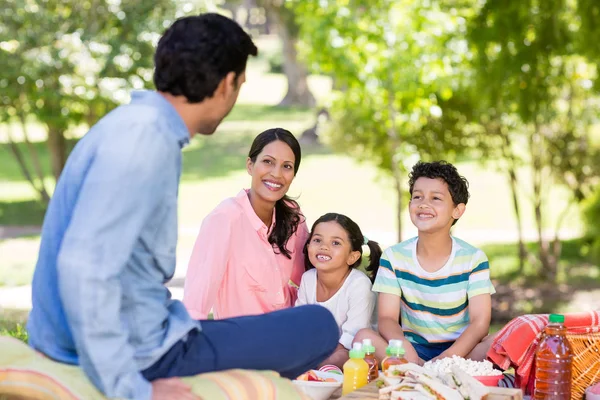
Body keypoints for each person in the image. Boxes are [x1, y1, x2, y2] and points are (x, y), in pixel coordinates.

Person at [26, 14, 338, 400]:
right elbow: (83, 267)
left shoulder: (131, 124)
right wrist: (133, 391)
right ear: (227, 84)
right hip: (142, 353)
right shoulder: (146, 142)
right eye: (239, 85)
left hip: (140, 332)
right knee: (318, 327)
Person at [354, 161, 495, 365]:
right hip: (412, 351)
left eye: (435, 198)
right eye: (417, 196)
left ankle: (434, 371)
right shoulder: (394, 257)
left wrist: (447, 358)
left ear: (457, 210)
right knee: (363, 337)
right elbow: (387, 319)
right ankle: (419, 370)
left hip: (462, 351)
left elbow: (480, 323)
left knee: (500, 342)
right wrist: (407, 353)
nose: (423, 204)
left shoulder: (473, 259)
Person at [183, 128, 309, 319]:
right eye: (268, 162)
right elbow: (196, 303)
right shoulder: (224, 219)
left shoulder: (293, 217)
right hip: (241, 341)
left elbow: (310, 279)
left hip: (288, 334)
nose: (276, 174)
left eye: (287, 166)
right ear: (250, 165)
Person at [296, 213, 380, 369]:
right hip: (320, 349)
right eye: (317, 240)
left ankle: (316, 371)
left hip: (355, 351)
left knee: (342, 355)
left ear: (352, 257)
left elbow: (352, 338)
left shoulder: (359, 284)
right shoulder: (308, 279)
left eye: (335, 243)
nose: (324, 247)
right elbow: (300, 324)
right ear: (308, 246)